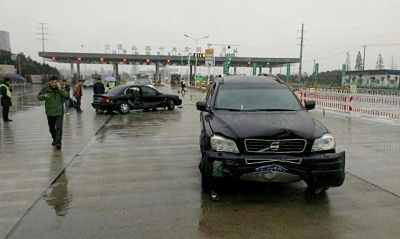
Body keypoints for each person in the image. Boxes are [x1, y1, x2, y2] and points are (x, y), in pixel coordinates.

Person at [37, 75, 69, 150]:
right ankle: (55, 139)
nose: (54, 84)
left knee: (59, 128)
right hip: (50, 112)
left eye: (55, 82)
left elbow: (67, 96)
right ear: (50, 82)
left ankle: (58, 142)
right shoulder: (46, 89)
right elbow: (39, 97)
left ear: (57, 82)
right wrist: (44, 96)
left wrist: (60, 89)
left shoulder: (61, 88)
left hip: (59, 112)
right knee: (51, 128)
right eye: (52, 82)